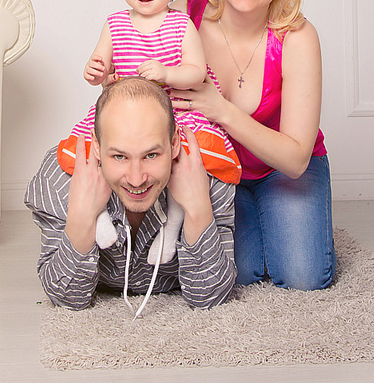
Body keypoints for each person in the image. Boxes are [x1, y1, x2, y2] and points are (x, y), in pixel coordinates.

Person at [169, 0, 336, 291]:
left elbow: (295, 159)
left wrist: (221, 110)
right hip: (215, 171)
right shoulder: (182, 17)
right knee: (239, 274)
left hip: (283, 170)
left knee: (302, 276)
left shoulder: (298, 37)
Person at [57, 0, 241, 262]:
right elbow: (101, 67)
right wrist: (95, 72)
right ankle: (98, 217)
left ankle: (173, 228)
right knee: (85, 153)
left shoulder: (181, 24)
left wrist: (168, 73)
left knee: (186, 161)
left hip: (174, 112)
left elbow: (197, 71)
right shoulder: (115, 24)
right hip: (124, 118)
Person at [25, 77, 236, 314]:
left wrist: (198, 209)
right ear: (97, 147)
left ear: (174, 142)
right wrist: (81, 216)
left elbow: (210, 296)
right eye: (119, 157)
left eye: (151, 155)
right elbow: (66, 298)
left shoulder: (211, 174)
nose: (136, 180)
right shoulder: (59, 179)